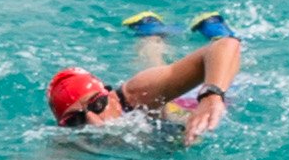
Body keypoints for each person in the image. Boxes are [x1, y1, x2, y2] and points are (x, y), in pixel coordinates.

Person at [44, 14, 243, 141]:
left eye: (97, 104)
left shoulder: (136, 94)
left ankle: (213, 29)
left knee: (228, 63)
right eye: (75, 120)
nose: (95, 122)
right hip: (167, 103)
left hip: (194, 98)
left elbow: (227, 47)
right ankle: (151, 31)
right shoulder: (73, 140)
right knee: (159, 80)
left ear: (110, 94)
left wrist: (211, 95)